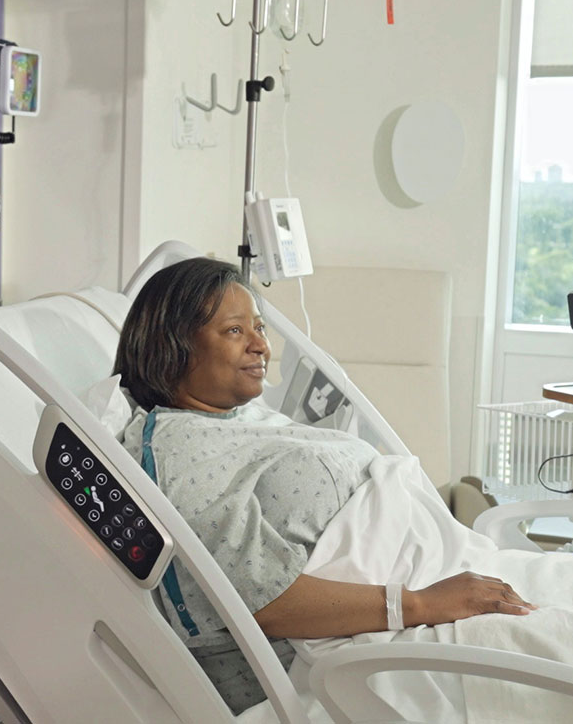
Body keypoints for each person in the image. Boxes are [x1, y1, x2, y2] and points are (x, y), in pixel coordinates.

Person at [113, 257, 534, 714]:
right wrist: (419, 605)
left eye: (259, 327)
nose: (260, 346)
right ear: (173, 346)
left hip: (443, 573)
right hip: (386, 632)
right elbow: (258, 600)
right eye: (235, 331)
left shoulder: (232, 417)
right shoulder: (179, 453)